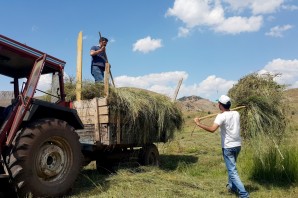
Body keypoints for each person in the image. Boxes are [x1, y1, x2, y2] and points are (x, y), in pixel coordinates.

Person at [194, 95, 249, 198]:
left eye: (218, 103)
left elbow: (212, 129)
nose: (217, 104)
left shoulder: (221, 116)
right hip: (237, 145)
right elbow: (229, 113)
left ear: (220, 105)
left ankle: (244, 195)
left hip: (228, 147)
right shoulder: (236, 113)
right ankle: (232, 187)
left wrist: (198, 123)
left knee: (232, 171)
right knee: (231, 168)